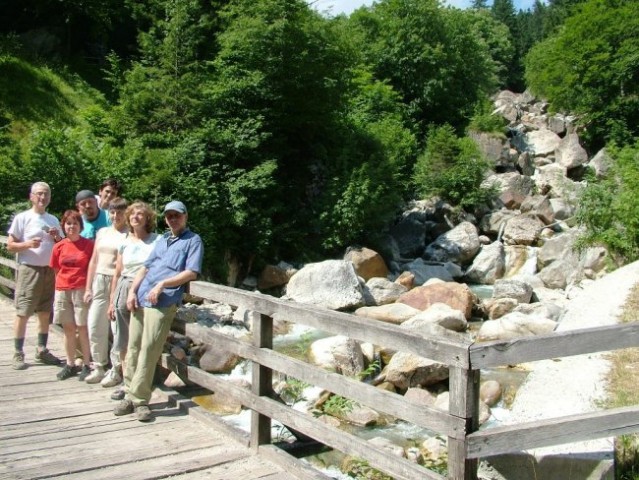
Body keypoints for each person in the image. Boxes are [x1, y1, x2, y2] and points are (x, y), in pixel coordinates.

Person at [113, 200, 203, 421]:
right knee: (133, 346)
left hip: (163, 301)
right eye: (169, 216)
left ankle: (140, 399)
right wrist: (133, 291)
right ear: (165, 219)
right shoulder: (163, 240)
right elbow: (146, 267)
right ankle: (129, 392)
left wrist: (163, 284)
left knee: (150, 349)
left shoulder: (193, 241)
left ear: (185, 217)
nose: (173, 219)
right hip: (142, 296)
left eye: (177, 215)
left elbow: (191, 272)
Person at [104, 201, 159, 395]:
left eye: (140, 214)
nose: (136, 217)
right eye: (133, 214)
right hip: (124, 287)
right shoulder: (124, 242)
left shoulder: (156, 240)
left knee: (143, 338)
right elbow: (117, 274)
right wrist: (111, 301)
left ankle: (139, 382)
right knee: (124, 338)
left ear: (147, 219)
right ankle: (126, 383)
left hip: (145, 288)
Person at [7, 181, 63, 370]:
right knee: (23, 312)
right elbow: (10, 245)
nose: (42, 197)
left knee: (45, 312)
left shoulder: (53, 220)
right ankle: (18, 352)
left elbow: (62, 245)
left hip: (49, 271)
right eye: (39, 193)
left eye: (46, 193)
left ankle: (41, 349)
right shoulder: (23, 218)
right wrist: (27, 245)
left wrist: (56, 237)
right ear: (31, 196)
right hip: (29, 269)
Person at [82, 198, 128, 384]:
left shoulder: (129, 235)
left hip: (116, 281)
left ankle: (116, 369)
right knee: (94, 325)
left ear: (126, 213)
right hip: (99, 279)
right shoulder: (102, 232)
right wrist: (87, 287)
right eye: (112, 212)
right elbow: (93, 260)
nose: (116, 216)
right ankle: (99, 365)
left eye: (119, 212)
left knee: (116, 328)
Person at [50, 210, 94, 380]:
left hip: (81, 290)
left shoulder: (88, 245)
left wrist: (89, 289)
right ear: (64, 226)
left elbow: (92, 268)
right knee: (68, 329)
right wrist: (60, 288)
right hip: (62, 290)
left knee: (82, 327)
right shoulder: (58, 246)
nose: (72, 226)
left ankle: (86, 364)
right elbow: (55, 269)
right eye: (68, 223)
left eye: (75, 223)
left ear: (80, 226)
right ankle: (69, 363)